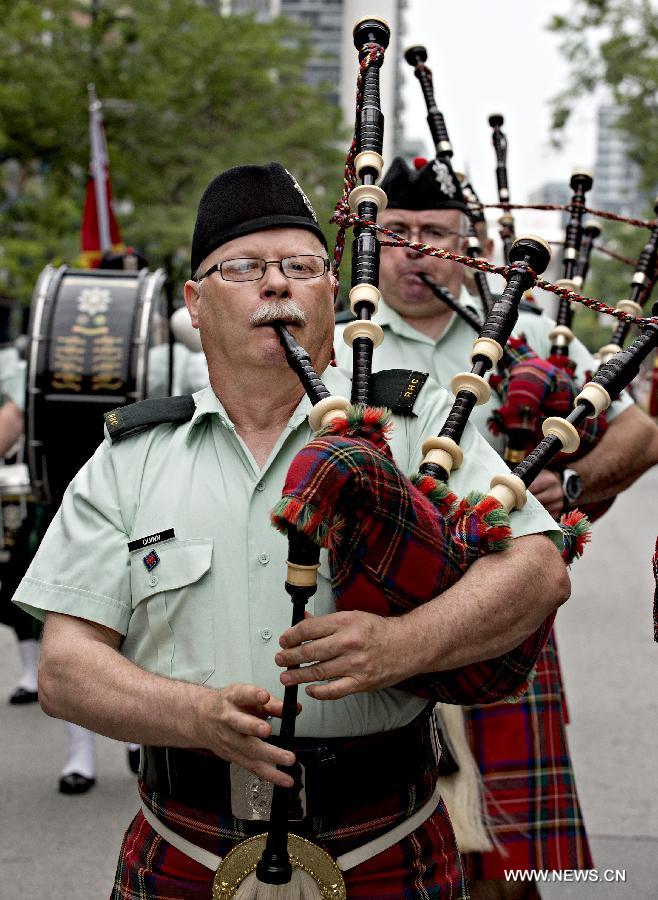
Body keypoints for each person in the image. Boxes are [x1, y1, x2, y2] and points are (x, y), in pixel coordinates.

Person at [13, 163, 570, 898]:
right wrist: (197, 715)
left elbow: (537, 568)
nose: (275, 285)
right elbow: (64, 668)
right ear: (195, 305)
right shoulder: (130, 459)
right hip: (186, 840)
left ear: (333, 299)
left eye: (300, 266)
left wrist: (404, 645)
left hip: (388, 837)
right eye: (242, 267)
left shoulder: (416, 424)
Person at [335, 156, 658, 899]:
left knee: (509, 872)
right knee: (372, 856)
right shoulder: (340, 334)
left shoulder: (525, 334)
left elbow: (641, 430)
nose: (415, 248)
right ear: (369, 241)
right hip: (368, 613)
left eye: (435, 233)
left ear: (469, 243)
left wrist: (570, 482)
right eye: (398, 232)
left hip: (500, 615)